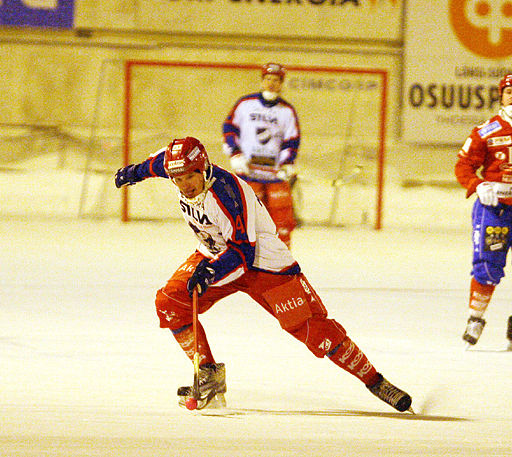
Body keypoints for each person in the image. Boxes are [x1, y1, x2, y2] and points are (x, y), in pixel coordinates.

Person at [115, 136, 413, 412]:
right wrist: (132, 172)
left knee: (312, 330)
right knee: (170, 303)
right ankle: (207, 373)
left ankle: (376, 381)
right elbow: (155, 165)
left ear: (203, 168)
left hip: (262, 264)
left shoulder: (227, 193)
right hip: (215, 254)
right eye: (177, 179)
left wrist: (210, 273)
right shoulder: (176, 167)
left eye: (190, 177)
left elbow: (243, 253)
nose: (184, 185)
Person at [455, 73, 512, 351]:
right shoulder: (486, 131)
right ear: (501, 96)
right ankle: (475, 318)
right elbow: (463, 165)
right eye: (509, 93)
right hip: (496, 209)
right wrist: (477, 185)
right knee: (488, 265)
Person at [222, 62, 301, 248]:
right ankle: (243, 258)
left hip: (274, 176)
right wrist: (235, 154)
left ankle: (281, 261)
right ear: (262, 80)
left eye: (275, 80)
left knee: (281, 220)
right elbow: (230, 129)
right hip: (248, 173)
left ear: (281, 83)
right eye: (268, 79)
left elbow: (292, 140)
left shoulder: (287, 111)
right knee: (245, 218)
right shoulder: (245, 104)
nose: (271, 83)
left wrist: (287, 163)